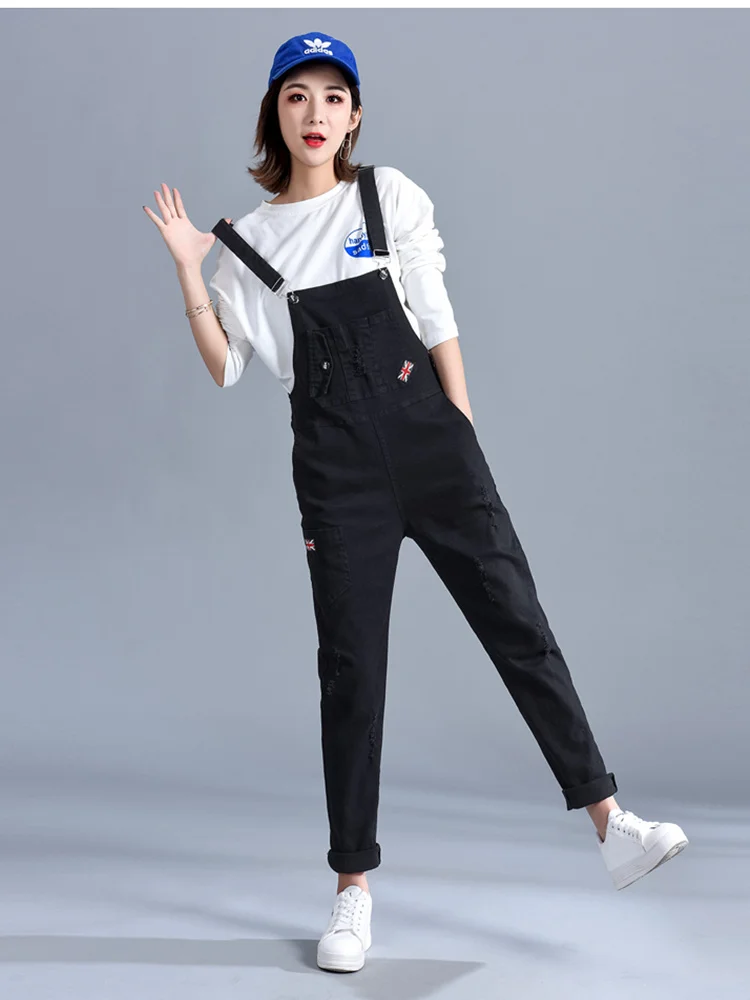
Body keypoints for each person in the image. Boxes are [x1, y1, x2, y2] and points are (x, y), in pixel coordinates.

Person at [144, 30, 689, 975]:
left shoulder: (387, 197)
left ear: (355, 115)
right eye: (297, 97)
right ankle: (351, 892)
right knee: (352, 673)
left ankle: (612, 825)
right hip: (338, 475)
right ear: (275, 114)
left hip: (434, 447)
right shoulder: (245, 242)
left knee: (519, 624)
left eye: (333, 97)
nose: (316, 114)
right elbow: (228, 367)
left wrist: (461, 439)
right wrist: (192, 267)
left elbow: (436, 320)